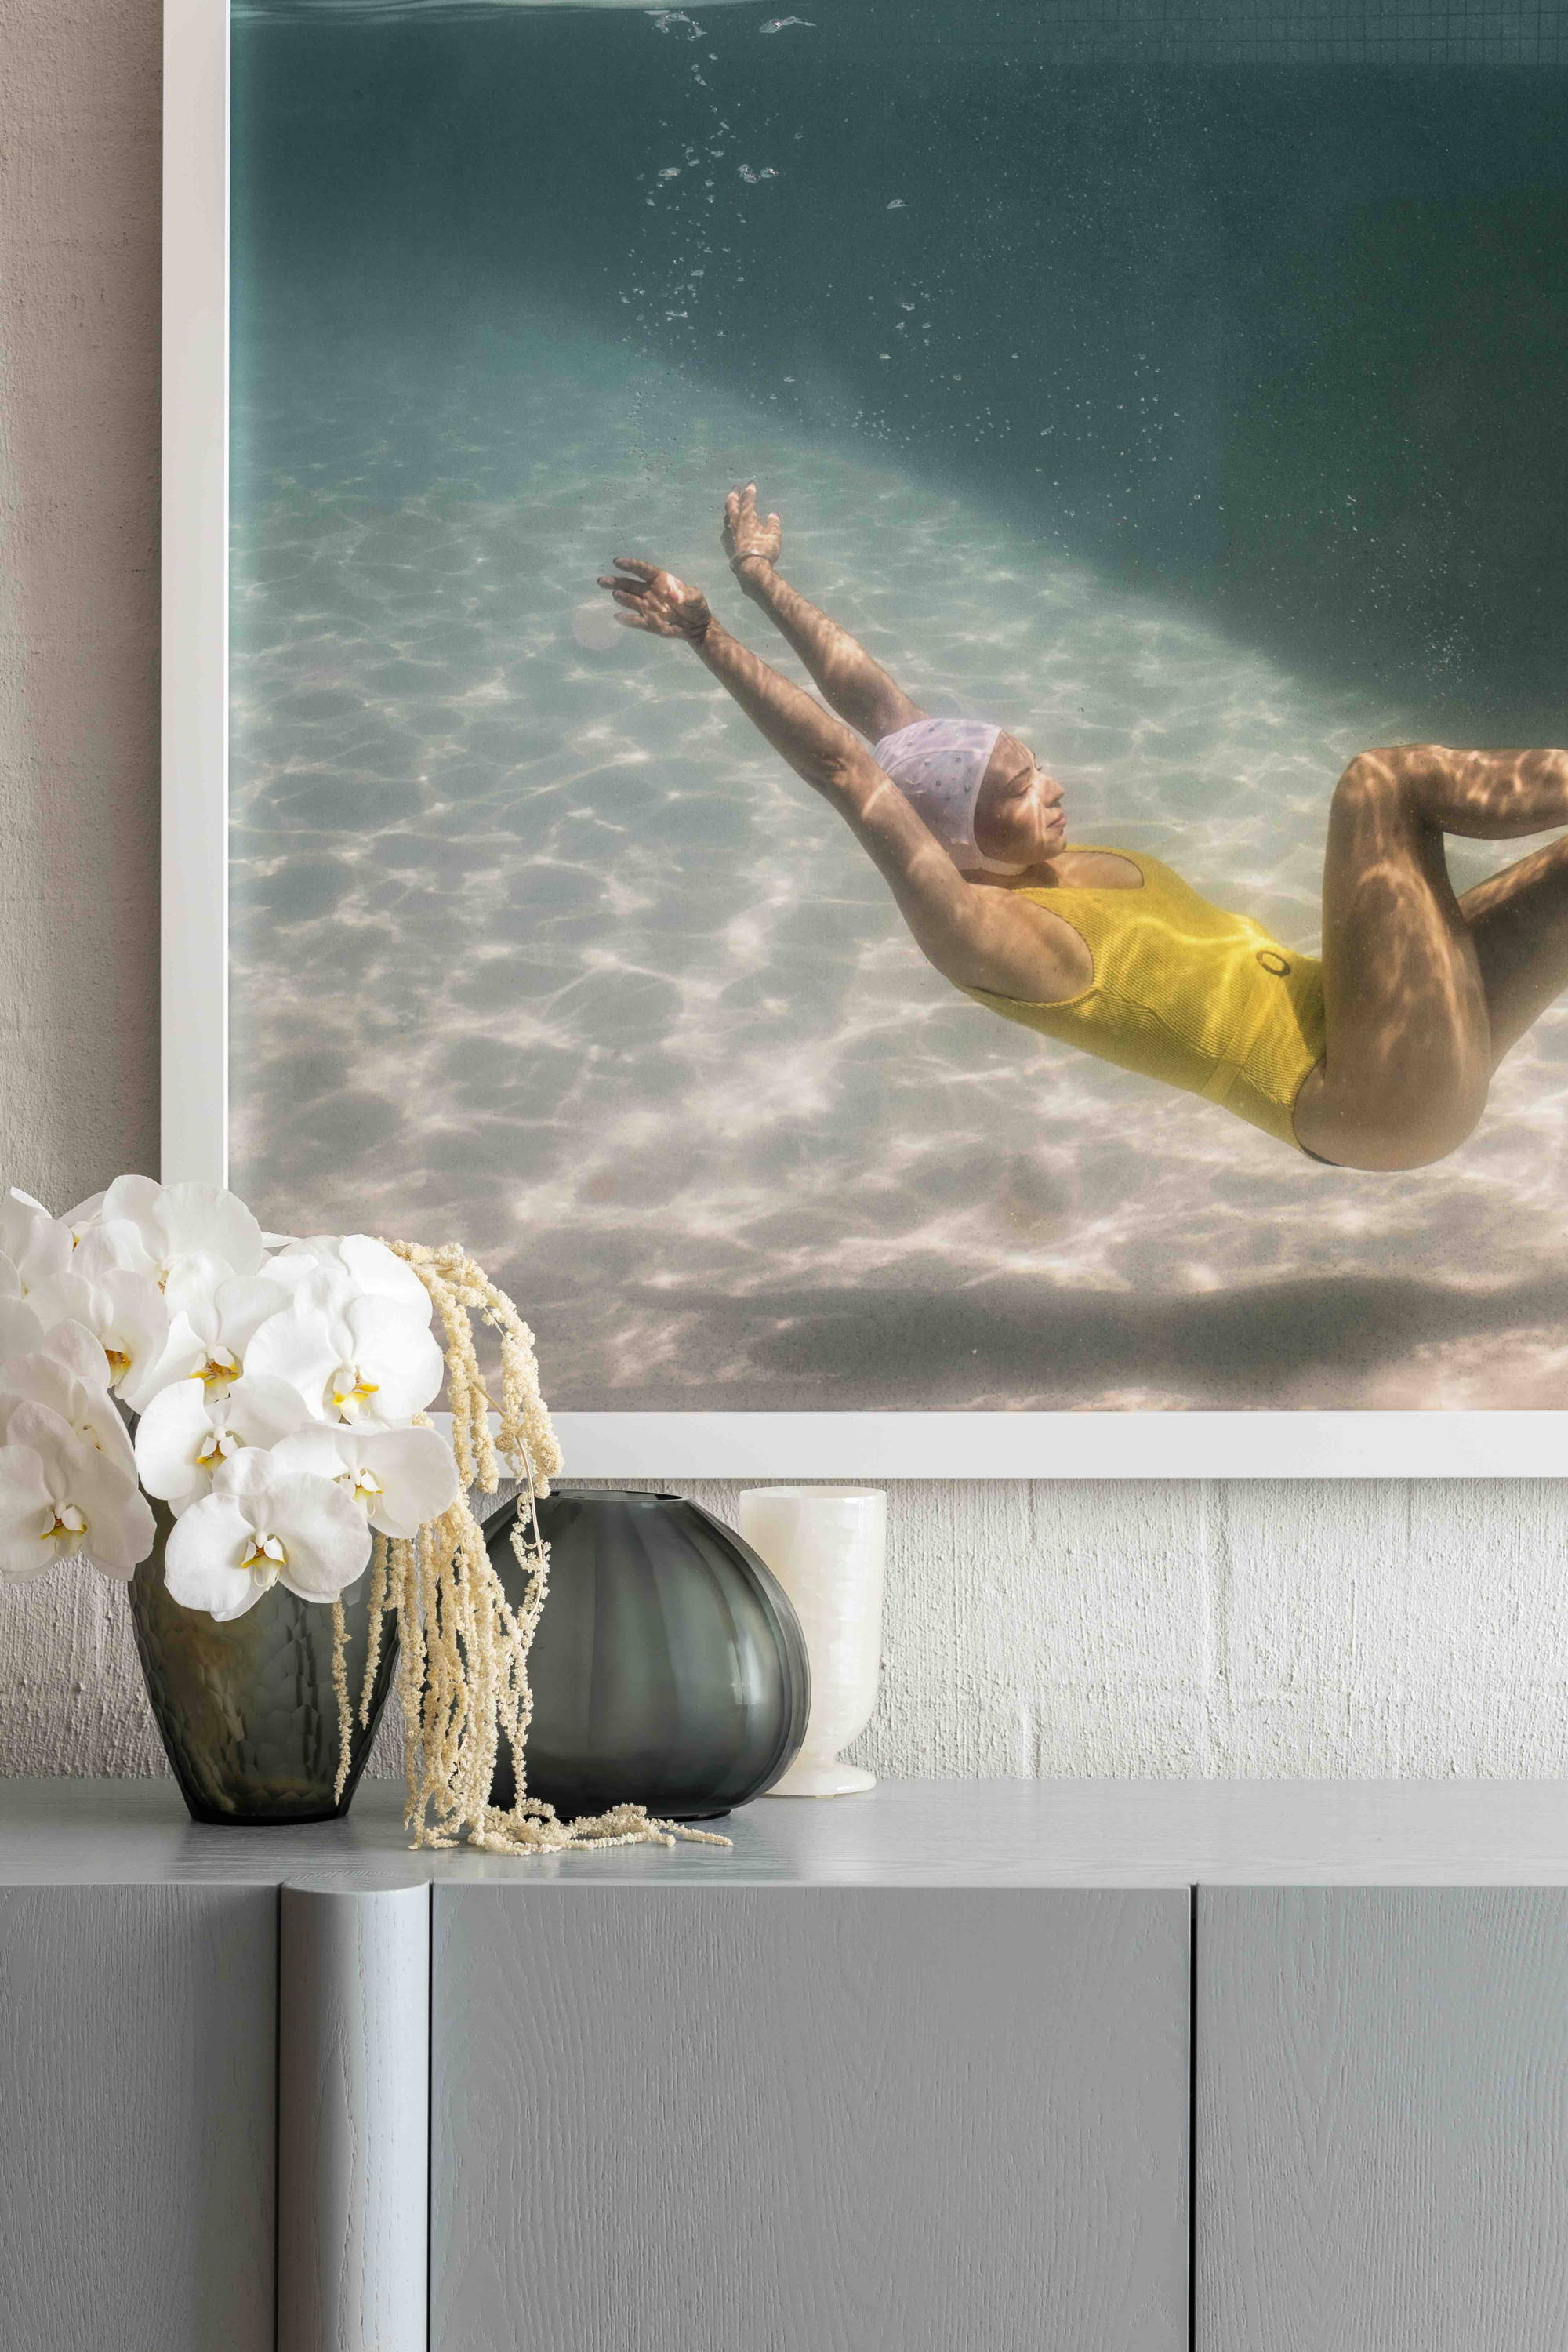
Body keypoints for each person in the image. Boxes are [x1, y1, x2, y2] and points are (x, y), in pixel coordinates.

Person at [597, 485, 1568, 1172]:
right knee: (1380, 784)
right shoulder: (989, 931)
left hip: (1387, 1042)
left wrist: (761, 579)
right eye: (1017, 788)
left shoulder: (1010, 846)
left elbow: (877, 710)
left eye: (1032, 763)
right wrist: (707, 636)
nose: (1048, 786)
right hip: (1365, 1095)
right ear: (960, 837)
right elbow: (848, 770)